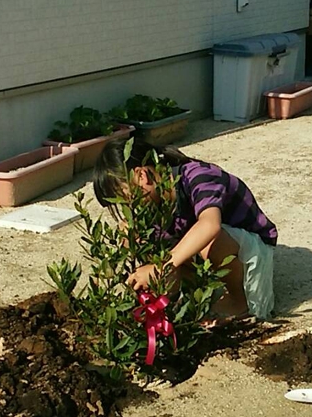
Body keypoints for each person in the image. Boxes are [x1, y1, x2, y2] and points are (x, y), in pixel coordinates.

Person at [93, 137, 277, 323]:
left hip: (251, 250)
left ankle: (239, 301)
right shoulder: (153, 206)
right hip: (210, 259)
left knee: (207, 242)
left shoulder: (198, 176)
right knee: (160, 251)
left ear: (141, 176)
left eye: (124, 198)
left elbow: (210, 225)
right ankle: (194, 301)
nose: (127, 207)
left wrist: (160, 267)